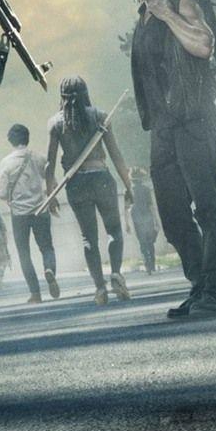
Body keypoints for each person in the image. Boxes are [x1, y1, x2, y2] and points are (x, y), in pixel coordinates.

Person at [124, 0, 216, 319]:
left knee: (208, 208)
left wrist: (169, 15)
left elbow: (204, 46)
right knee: (172, 216)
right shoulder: (142, 20)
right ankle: (201, 285)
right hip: (162, 129)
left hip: (194, 121)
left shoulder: (182, 3)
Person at [43, 75, 134, 305]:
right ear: (86, 93)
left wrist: (50, 194)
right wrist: (128, 185)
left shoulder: (55, 123)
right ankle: (116, 273)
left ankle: (100, 288)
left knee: (88, 238)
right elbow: (115, 154)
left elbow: (49, 164)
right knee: (114, 230)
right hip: (101, 178)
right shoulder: (100, 116)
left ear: (62, 97)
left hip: (76, 183)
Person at [0, 122, 60, 302]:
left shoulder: (6, 163)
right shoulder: (39, 158)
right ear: (27, 138)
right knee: (46, 247)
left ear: (11, 141)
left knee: (24, 253)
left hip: (19, 215)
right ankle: (49, 269)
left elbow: (1, 193)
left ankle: (35, 293)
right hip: (41, 210)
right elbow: (53, 182)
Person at [128, 166, 162, 275]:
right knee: (150, 242)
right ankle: (152, 264)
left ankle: (147, 265)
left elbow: (126, 209)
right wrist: (157, 220)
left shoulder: (128, 190)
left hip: (136, 219)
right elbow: (151, 206)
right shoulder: (146, 189)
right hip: (148, 217)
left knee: (142, 243)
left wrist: (127, 224)